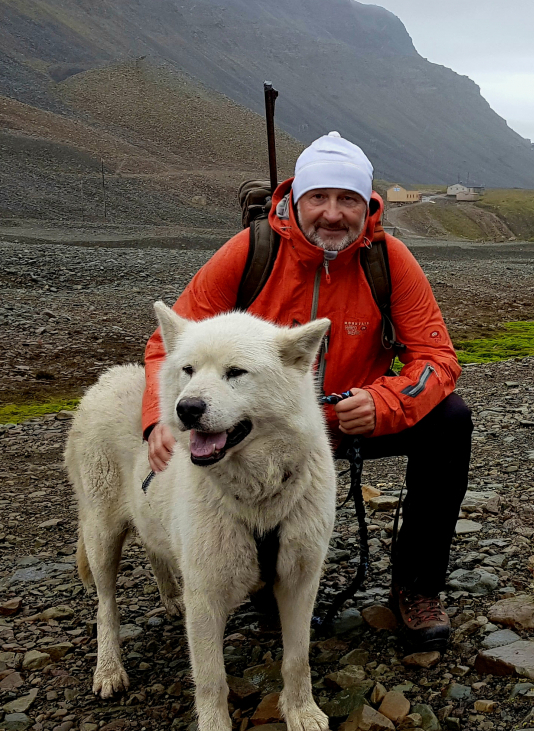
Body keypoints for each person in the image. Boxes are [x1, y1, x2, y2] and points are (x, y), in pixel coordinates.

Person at [139, 132, 471, 652]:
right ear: (296, 200)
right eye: (319, 198)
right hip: (266, 428)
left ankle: (417, 587)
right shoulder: (251, 251)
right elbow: (171, 341)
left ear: (369, 205)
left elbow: (437, 358)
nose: (333, 214)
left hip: (351, 422)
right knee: (252, 527)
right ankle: (264, 580)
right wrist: (158, 419)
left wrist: (385, 403)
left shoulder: (389, 260)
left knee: (450, 422)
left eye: (348, 200)